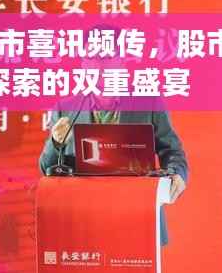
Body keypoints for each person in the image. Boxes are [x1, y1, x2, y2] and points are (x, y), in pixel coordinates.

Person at [38, 94, 189, 246]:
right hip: (85, 224)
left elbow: (172, 150)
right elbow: (47, 168)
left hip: (138, 219)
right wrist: (55, 143)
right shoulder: (65, 108)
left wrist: (175, 172)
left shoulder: (149, 102)